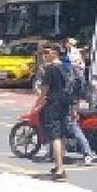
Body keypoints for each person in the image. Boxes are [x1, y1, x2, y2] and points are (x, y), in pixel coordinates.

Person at [31, 43, 73, 181]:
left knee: (55, 136)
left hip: (53, 103)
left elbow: (44, 90)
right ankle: (59, 165)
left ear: (55, 53)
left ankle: (60, 168)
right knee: (61, 135)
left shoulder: (50, 69)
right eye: (43, 53)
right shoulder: (66, 67)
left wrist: (36, 105)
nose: (44, 56)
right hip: (65, 103)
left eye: (47, 52)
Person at [60, 43, 96, 165]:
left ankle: (87, 153)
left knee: (74, 128)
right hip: (69, 102)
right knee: (61, 129)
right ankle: (56, 153)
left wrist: (74, 107)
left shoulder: (69, 71)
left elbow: (71, 91)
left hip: (69, 103)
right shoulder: (73, 70)